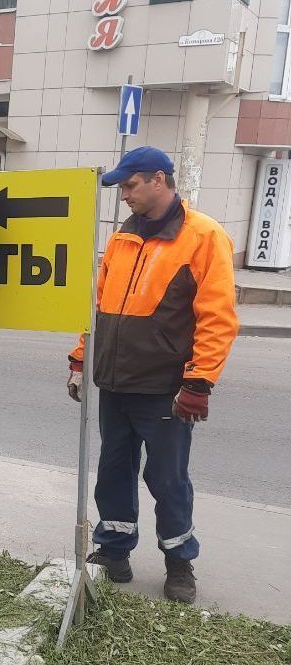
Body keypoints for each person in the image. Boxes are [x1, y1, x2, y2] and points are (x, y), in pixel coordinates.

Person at [67, 146, 238, 604]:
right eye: (121, 187)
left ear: (159, 180)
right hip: (116, 382)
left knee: (167, 478)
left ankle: (179, 563)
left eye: (130, 185)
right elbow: (99, 307)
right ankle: (115, 550)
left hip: (167, 388)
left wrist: (199, 381)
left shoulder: (203, 236)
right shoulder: (124, 237)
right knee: (114, 470)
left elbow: (217, 316)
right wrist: (82, 358)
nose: (124, 195)